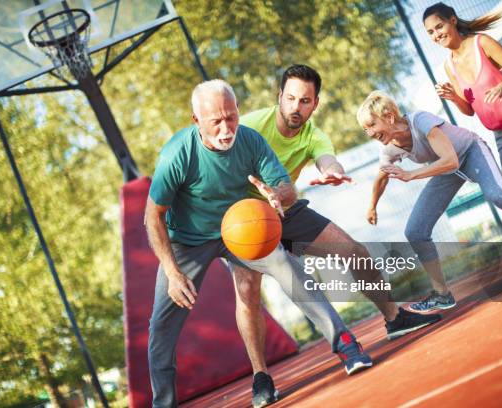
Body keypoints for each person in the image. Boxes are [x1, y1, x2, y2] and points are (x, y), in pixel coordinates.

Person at [146, 79, 373, 408]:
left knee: (286, 266)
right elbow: (153, 216)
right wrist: (171, 270)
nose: (226, 128)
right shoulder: (176, 154)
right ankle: (163, 404)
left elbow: (286, 186)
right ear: (196, 121)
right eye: (216, 122)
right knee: (161, 325)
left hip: (239, 228)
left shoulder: (250, 141)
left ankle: (346, 343)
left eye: (231, 117)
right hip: (187, 241)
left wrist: (276, 194)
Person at [230, 64, 442, 407]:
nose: (296, 107)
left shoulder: (313, 134)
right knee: (247, 289)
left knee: (354, 251)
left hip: (287, 209)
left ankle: (394, 317)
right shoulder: (251, 125)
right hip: (245, 218)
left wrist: (333, 173)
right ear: (279, 97)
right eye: (291, 98)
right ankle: (261, 377)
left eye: (305, 101)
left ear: (315, 104)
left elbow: (328, 159)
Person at [357, 90, 502, 313]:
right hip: (446, 170)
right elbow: (381, 177)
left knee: (499, 195)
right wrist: (372, 206)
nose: (368, 132)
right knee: (415, 231)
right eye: (364, 129)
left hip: (470, 151)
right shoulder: (388, 149)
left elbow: (450, 159)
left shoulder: (421, 121)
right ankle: (442, 294)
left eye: (371, 125)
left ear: (388, 117)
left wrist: (412, 175)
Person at [422, 2, 502, 206]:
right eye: (430, 32)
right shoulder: (449, 66)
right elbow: (469, 110)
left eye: (439, 26)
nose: (436, 34)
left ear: (452, 20)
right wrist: (453, 97)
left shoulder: (482, 42)